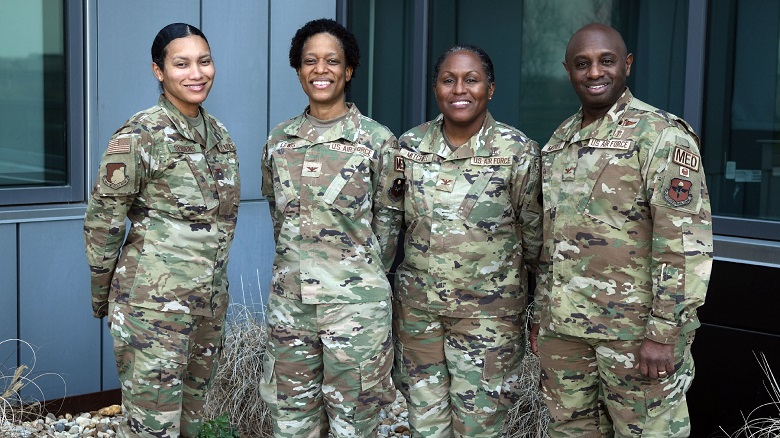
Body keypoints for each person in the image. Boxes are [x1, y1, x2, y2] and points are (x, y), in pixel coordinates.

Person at [529, 23, 714, 437]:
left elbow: (684, 245)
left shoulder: (661, 136)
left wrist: (664, 334)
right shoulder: (560, 141)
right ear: (568, 70)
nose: (595, 72)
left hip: (634, 337)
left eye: (606, 61)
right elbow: (551, 242)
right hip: (567, 333)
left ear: (626, 65)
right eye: (583, 64)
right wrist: (542, 317)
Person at [84, 22, 240, 438]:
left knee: (191, 420)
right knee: (152, 428)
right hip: (152, 311)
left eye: (204, 61)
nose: (196, 73)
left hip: (206, 308)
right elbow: (104, 221)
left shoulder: (219, 136)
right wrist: (103, 297)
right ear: (159, 71)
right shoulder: (140, 135)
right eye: (181, 63)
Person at [259, 18, 404, 437]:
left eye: (332, 61)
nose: (320, 70)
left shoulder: (378, 141)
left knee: (354, 426)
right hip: (291, 310)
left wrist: (351, 274)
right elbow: (279, 216)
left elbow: (389, 230)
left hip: (355, 311)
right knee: (291, 424)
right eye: (310, 61)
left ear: (350, 69)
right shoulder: (278, 141)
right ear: (298, 69)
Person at [392, 44, 543, 437]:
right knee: (424, 424)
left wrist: (538, 311)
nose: (460, 89)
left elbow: (536, 243)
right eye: (449, 80)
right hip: (418, 316)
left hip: (488, 322)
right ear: (435, 87)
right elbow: (390, 227)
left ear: (490, 89)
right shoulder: (408, 148)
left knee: (479, 426)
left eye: (471, 80)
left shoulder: (518, 152)